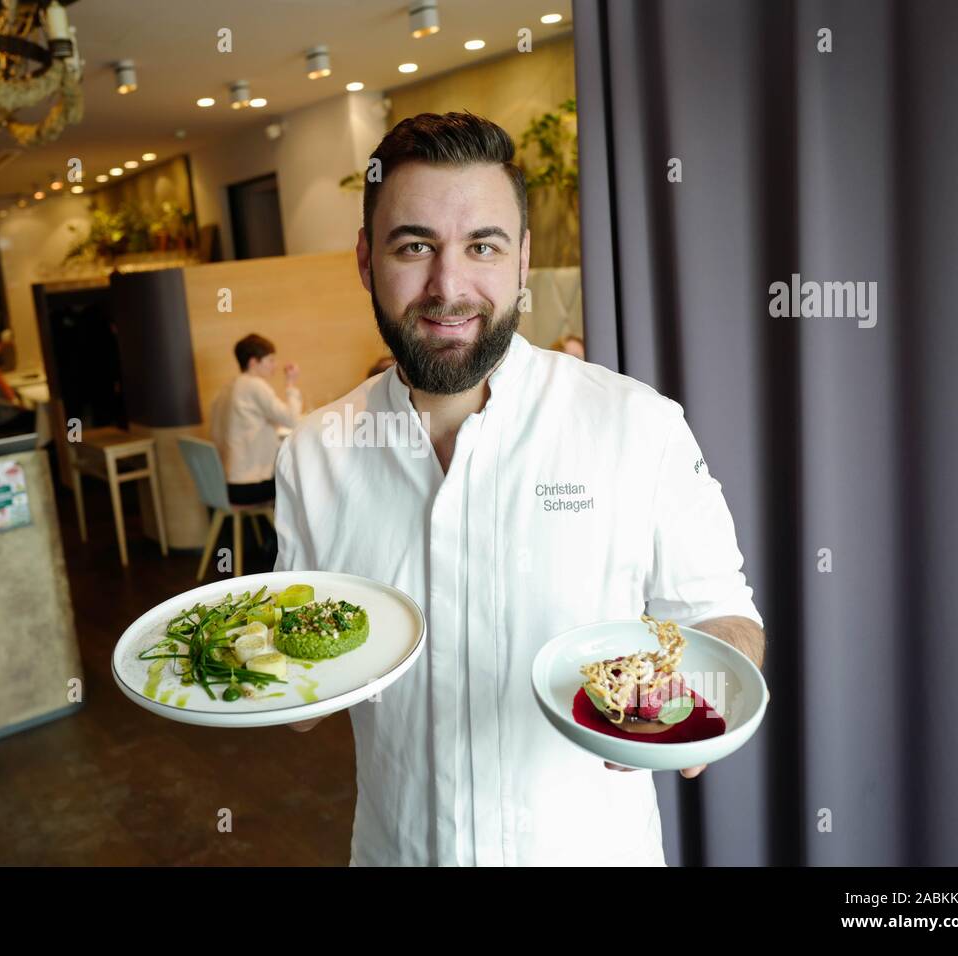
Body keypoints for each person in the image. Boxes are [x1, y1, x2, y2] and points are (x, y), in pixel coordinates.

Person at [273, 111, 766, 866]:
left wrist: (692, 700)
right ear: (367, 261)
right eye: (414, 246)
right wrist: (262, 679)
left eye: (483, 246)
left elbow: (724, 617)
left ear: (523, 261)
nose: (449, 286)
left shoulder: (637, 424)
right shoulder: (313, 453)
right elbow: (300, 691)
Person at [209, 333, 302, 505]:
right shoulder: (254, 385)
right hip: (249, 486)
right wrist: (290, 383)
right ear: (253, 362)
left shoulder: (226, 389)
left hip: (227, 484)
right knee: (305, 482)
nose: (275, 366)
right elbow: (292, 419)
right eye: (270, 360)